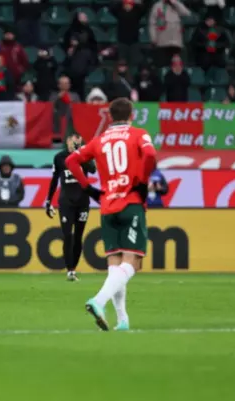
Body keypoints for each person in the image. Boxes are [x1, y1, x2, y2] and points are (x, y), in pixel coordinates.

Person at [65, 97, 158, 332]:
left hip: (107, 206)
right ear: (131, 115)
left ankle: (122, 320)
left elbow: (71, 160)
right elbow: (150, 154)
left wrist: (88, 188)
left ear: (110, 116)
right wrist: (142, 182)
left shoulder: (99, 140)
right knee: (133, 262)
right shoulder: (138, 134)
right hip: (131, 203)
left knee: (115, 265)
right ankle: (98, 301)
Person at [44, 133, 97, 281]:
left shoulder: (84, 155)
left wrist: (80, 154)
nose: (76, 144)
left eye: (79, 142)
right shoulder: (59, 157)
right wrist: (49, 201)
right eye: (74, 141)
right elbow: (54, 180)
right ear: (68, 141)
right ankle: (69, 270)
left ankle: (73, 269)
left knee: (78, 235)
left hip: (83, 202)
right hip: (66, 202)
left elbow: (92, 169)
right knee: (68, 235)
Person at [149, 0, 191, 68]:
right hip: (162, 42)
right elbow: (152, 23)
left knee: (175, 65)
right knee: (163, 65)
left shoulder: (176, 4)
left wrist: (175, 2)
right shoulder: (157, 5)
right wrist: (153, 38)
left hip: (175, 42)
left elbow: (186, 13)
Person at [112, 0, 144, 66]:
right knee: (122, 64)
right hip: (122, 42)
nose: (128, 6)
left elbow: (144, 8)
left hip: (134, 42)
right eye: (126, 4)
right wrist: (121, 2)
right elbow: (112, 8)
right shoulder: (119, 12)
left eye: (129, 4)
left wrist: (136, 3)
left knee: (135, 64)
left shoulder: (137, 12)